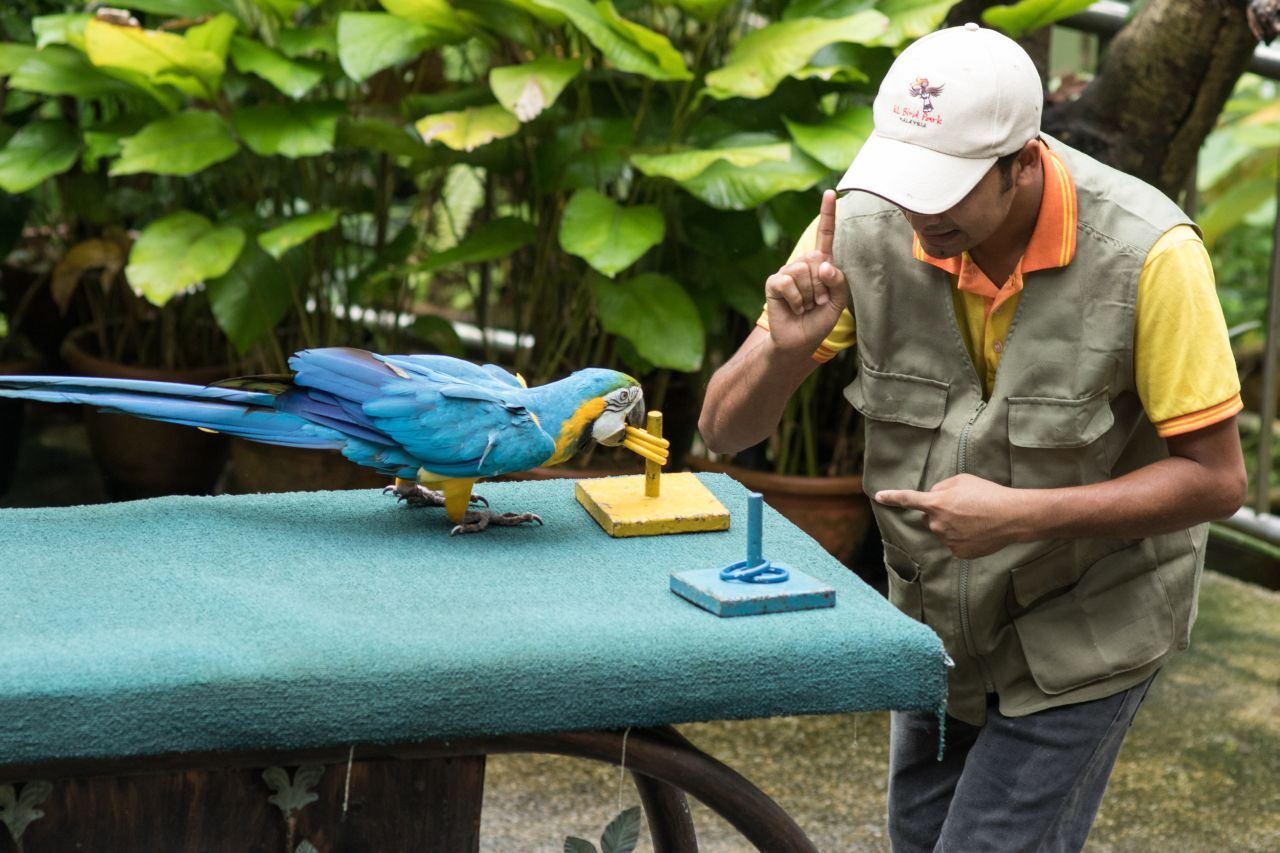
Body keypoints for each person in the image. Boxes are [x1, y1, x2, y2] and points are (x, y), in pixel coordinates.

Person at [698, 23, 1248, 853]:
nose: (921, 211)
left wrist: (1023, 514)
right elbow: (722, 429)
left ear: (1023, 161)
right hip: (938, 634)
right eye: (907, 181)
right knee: (918, 839)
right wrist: (781, 349)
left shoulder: (1150, 255)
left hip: (1090, 630)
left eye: (946, 187)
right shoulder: (866, 224)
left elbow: (1217, 480)